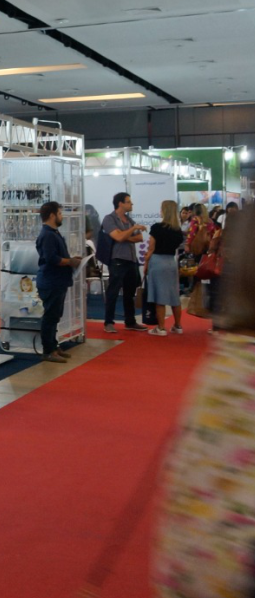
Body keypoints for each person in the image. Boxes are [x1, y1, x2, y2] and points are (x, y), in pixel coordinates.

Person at [152, 207, 255, 597]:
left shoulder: (228, 366)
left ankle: (167, 326)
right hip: (224, 567)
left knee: (162, 299)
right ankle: (176, 324)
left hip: (200, 566)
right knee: (169, 300)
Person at [36, 201, 81, 363]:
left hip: (56, 281)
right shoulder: (48, 235)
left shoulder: (53, 233)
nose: (62, 216)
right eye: (60, 213)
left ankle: (53, 346)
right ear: (52, 215)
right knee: (50, 317)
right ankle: (48, 350)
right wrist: (70, 261)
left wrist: (70, 260)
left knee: (54, 316)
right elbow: (52, 258)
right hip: (51, 281)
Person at [100, 192, 148, 332]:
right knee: (113, 291)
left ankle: (130, 321)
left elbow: (139, 238)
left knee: (130, 292)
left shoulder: (128, 219)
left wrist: (123, 235)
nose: (131, 204)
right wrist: (131, 230)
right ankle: (108, 322)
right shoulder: (109, 219)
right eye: (128, 201)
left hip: (131, 259)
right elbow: (118, 237)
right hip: (117, 259)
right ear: (120, 203)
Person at [143, 200, 184, 336]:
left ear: (164, 211)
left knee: (159, 296)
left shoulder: (156, 228)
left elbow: (151, 248)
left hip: (157, 262)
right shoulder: (178, 231)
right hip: (171, 262)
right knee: (174, 295)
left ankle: (161, 328)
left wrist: (146, 263)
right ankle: (178, 325)